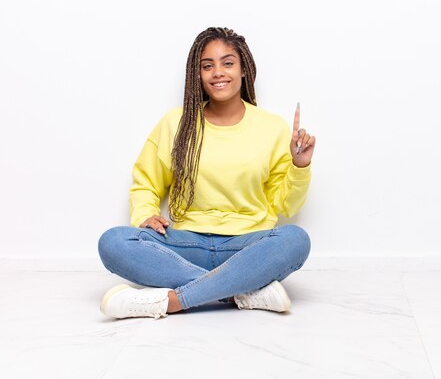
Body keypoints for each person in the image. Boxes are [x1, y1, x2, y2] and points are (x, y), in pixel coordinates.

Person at [97, 27, 315, 319]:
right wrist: (145, 214)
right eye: (207, 65)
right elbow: (146, 183)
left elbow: (285, 205)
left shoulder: (271, 127)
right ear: (197, 74)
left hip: (247, 245)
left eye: (227, 63)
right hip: (186, 244)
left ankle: (173, 301)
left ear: (243, 70)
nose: (217, 73)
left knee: (296, 240)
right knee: (113, 242)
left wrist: (299, 166)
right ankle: (241, 290)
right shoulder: (177, 123)